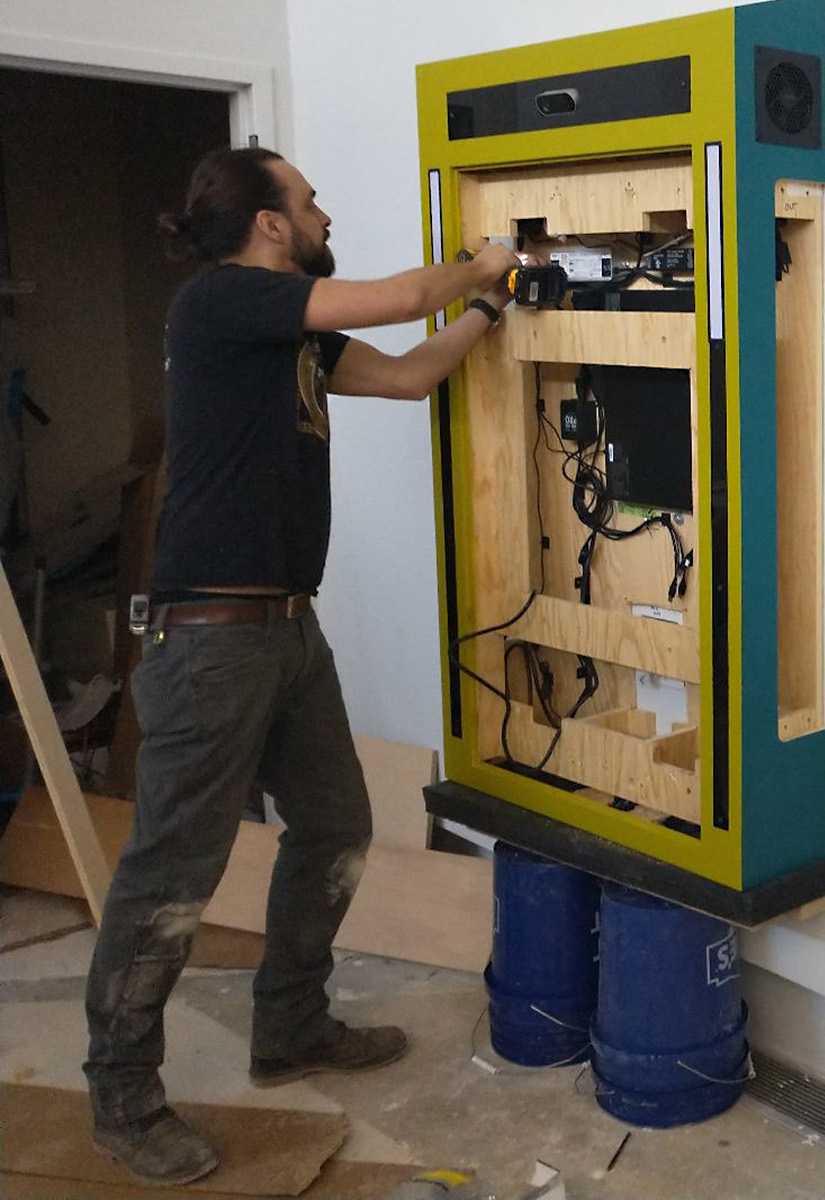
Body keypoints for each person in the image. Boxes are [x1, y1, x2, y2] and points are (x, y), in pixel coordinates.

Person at [82, 146, 518, 1186]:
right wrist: (482, 260)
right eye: (310, 202)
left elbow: (411, 376)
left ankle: (289, 1026)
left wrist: (493, 312)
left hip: (284, 628)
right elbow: (408, 295)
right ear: (272, 226)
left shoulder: (288, 340)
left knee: (334, 825)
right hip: (209, 638)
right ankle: (123, 1097)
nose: (324, 214)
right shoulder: (221, 302)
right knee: (170, 878)